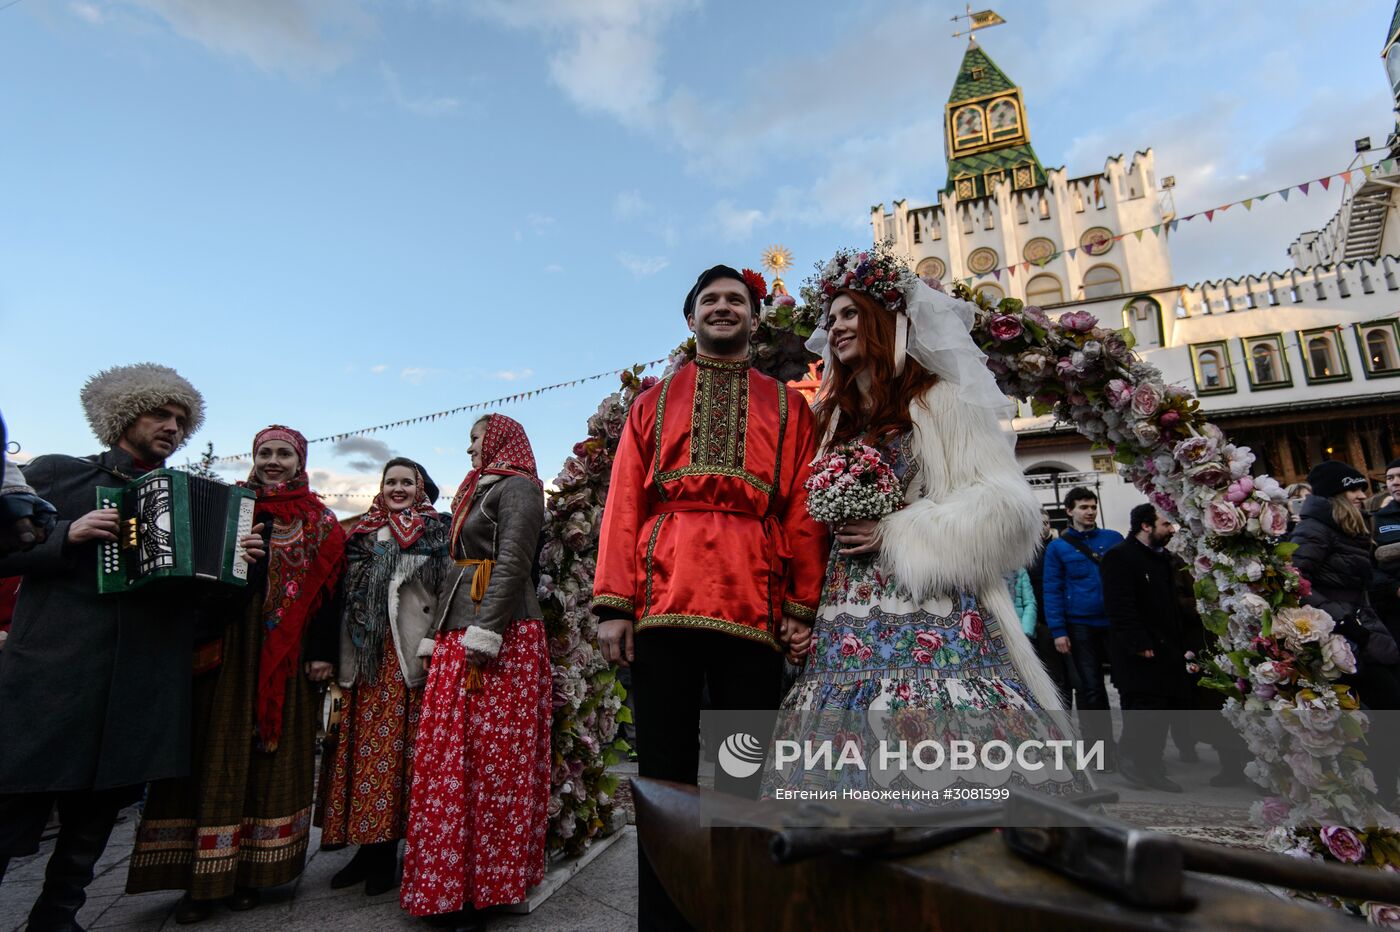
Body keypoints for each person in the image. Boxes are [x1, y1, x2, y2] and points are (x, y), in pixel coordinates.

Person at [591, 265, 829, 931]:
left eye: (736, 300)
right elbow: (623, 505)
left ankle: (735, 909)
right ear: (691, 318)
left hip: (754, 605)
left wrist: (800, 607)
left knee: (742, 776)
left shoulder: (787, 407)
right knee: (664, 776)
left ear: (756, 318)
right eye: (710, 300)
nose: (723, 308)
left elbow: (806, 511)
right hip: (663, 600)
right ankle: (663, 920)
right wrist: (614, 605)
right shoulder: (651, 402)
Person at [0, 364, 264, 932]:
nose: (171, 427)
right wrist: (65, 534)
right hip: (58, 667)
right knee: (15, 801)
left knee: (98, 811)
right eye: (159, 414)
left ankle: (57, 917)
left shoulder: (196, 497)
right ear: (123, 416)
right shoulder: (54, 474)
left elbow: (205, 613)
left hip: (142, 676)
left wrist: (236, 567)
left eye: (180, 420)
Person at [779, 248, 1062, 719]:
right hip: (840, 607)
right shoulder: (830, 419)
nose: (837, 327)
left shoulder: (945, 399)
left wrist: (896, 531)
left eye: (851, 313)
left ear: (886, 320)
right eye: (831, 319)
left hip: (928, 596)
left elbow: (1005, 505)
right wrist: (799, 609)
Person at [126, 425, 346, 922]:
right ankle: (202, 881)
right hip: (223, 649)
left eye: (283, 454)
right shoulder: (229, 506)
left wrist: (321, 653)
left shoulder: (321, 522)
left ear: (300, 461)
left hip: (284, 658)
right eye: (265, 452)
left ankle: (252, 873)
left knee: (268, 759)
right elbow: (191, 573)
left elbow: (330, 595)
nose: (273, 461)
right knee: (211, 753)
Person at [401, 414, 552, 932]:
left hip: (500, 638)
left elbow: (512, 563)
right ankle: (449, 881)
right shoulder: (476, 489)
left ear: (501, 438)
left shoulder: (519, 490)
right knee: (451, 759)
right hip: (458, 633)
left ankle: (482, 889)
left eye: (475, 438)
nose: (468, 449)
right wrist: (437, 633)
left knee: (489, 762)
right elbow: (453, 570)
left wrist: (485, 634)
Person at [316, 458, 448, 895]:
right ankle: (365, 848)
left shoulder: (437, 532)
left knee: (398, 758)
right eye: (390, 481)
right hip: (363, 660)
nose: (397, 489)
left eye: (406, 482)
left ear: (419, 488)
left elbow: (447, 595)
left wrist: (433, 642)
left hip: (409, 661)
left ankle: (387, 851)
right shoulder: (361, 534)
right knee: (360, 755)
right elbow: (337, 594)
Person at [1291, 460, 1400, 798]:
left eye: (1361, 487)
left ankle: (1382, 787)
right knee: (1383, 710)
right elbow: (1295, 580)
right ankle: (1378, 791)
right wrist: (1340, 618)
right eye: (1352, 488)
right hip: (1343, 637)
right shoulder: (1316, 529)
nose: (1360, 494)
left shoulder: (1346, 526)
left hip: (1364, 628)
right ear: (1335, 495)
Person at [1101, 504, 1188, 793]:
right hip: (1137, 651)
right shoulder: (1119, 557)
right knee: (1142, 711)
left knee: (1159, 711)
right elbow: (1119, 605)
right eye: (1165, 524)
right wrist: (1139, 642)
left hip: (1165, 649)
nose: (1170, 529)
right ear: (1146, 526)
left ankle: (1152, 765)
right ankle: (1134, 761)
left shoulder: (1162, 559)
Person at [1043, 487, 1124, 767]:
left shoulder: (1113, 540)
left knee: (1128, 685)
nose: (1089, 512)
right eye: (1083, 507)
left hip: (1115, 623)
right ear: (1069, 511)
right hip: (1079, 625)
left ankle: (1133, 748)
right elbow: (1052, 589)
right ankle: (1101, 751)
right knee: (1091, 689)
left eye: (1092, 506)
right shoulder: (1058, 548)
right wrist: (1058, 630)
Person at [1028, 514, 1076, 709]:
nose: (1043, 528)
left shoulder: (1058, 550)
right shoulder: (1024, 556)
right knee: (1050, 676)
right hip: (1039, 625)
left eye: (1046, 523)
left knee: (1067, 677)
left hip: (1063, 622)